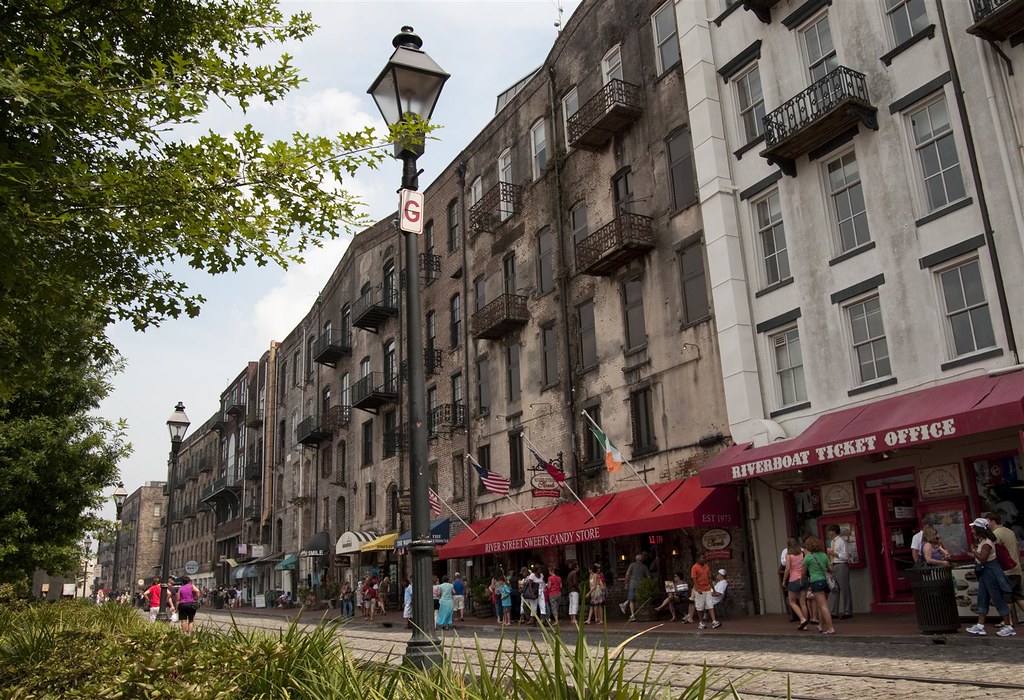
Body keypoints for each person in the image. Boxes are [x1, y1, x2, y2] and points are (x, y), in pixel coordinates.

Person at [966, 517, 1015, 636]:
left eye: (973, 528)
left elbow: (983, 559)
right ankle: (980, 625)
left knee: (997, 597)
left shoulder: (986, 543)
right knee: (982, 597)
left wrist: (973, 550)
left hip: (990, 572)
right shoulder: (984, 541)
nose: (972, 531)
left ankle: (1008, 626)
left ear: (979, 529)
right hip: (985, 573)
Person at [985, 512, 1023, 617]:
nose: (986, 525)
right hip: (1016, 568)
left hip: (1006, 570)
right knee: (1018, 596)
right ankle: (1007, 622)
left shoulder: (996, 534)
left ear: (993, 521)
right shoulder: (1010, 531)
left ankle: (1007, 622)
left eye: (987, 522)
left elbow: (994, 551)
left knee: (1007, 597)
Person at [803, 536, 834, 635]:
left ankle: (830, 628)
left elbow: (803, 572)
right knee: (821, 605)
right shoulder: (824, 555)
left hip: (816, 582)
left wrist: (801, 580)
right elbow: (830, 569)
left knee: (823, 606)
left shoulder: (808, 557)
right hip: (825, 582)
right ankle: (820, 625)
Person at [783, 537, 810, 630]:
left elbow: (787, 569)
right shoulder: (802, 554)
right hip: (803, 579)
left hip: (794, 579)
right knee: (803, 602)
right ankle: (805, 624)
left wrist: (784, 580)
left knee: (792, 601)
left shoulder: (789, 555)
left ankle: (802, 619)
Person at [826, 524, 853, 619]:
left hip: (841, 565)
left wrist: (834, 553)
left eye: (830, 531)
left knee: (845, 588)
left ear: (834, 531)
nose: (829, 533)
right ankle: (834, 612)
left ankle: (848, 611)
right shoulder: (832, 542)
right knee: (834, 589)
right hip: (833, 565)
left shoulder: (841, 541)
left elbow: (845, 556)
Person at [690, 551, 719, 629]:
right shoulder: (694, 567)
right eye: (702, 558)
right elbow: (694, 579)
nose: (704, 559)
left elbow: (709, 579)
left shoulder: (706, 567)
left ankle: (714, 621)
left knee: (710, 604)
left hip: (707, 589)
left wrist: (713, 589)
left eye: (704, 558)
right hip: (699, 590)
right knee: (700, 606)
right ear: (698, 559)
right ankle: (701, 622)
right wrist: (698, 588)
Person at [621, 553, 650, 622]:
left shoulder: (632, 565)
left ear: (636, 559)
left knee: (631, 600)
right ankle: (640, 614)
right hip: (641, 585)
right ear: (642, 560)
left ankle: (633, 615)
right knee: (640, 599)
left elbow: (627, 574)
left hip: (633, 584)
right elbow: (648, 577)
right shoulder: (644, 567)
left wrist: (626, 583)